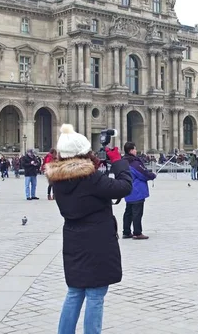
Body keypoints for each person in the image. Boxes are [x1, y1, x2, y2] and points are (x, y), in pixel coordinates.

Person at [45, 124, 132, 334]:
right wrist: (118, 161)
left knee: (74, 292)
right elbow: (124, 187)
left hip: (74, 240)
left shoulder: (58, 179)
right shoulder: (90, 178)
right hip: (97, 242)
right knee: (95, 294)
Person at [122, 142, 156, 240]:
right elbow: (144, 174)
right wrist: (153, 175)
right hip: (137, 191)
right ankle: (137, 232)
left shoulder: (123, 162)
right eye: (135, 149)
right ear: (131, 150)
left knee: (128, 212)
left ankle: (126, 231)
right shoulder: (135, 163)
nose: (136, 151)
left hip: (128, 190)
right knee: (137, 213)